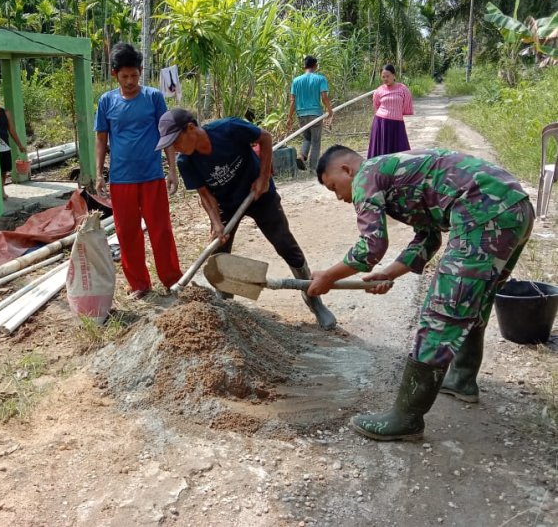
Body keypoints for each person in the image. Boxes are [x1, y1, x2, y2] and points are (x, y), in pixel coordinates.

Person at [311, 145, 533, 441]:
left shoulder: (367, 175)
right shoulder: (397, 173)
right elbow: (428, 238)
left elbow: (370, 248)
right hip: (513, 208)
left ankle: (406, 418)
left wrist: (328, 277)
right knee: (475, 298)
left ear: (346, 170)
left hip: (484, 213)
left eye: (334, 188)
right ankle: (462, 380)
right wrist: (389, 273)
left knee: (443, 311)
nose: (340, 197)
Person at [157, 108, 337, 329]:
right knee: (220, 255)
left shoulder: (228, 129)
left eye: (175, 141)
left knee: (285, 244)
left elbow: (265, 137)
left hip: (258, 193)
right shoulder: (186, 162)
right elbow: (205, 194)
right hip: (226, 204)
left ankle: (312, 297)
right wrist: (216, 222)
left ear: (191, 129)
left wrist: (263, 177)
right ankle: (226, 307)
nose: (174, 148)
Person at [95, 43, 182, 298]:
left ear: (141, 71)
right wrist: (99, 172)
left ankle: (171, 280)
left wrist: (172, 170)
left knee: (161, 230)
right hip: (121, 179)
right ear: (115, 75)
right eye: (125, 76)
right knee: (127, 233)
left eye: (135, 75)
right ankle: (139, 284)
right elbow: (101, 139)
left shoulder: (153, 98)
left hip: (152, 176)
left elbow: (166, 134)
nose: (131, 81)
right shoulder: (106, 101)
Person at [287, 55, 334, 172]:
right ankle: (313, 167)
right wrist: (329, 110)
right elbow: (324, 97)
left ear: (304, 66)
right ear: (315, 66)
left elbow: (293, 101)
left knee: (307, 138)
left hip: (301, 114)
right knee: (316, 141)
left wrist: (289, 117)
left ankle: (301, 156)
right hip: (315, 114)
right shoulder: (320, 79)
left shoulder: (296, 81)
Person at [367, 64, 414, 157]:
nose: (385, 79)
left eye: (388, 76)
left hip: (397, 124)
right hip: (381, 124)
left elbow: (406, 105)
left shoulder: (403, 89)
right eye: (383, 77)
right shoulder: (379, 91)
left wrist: (395, 114)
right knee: (381, 153)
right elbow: (376, 106)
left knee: (401, 153)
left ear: (394, 75)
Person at [0, 92, 26, 201]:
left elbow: (12, 130)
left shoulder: (5, 113)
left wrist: (20, 145)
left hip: (4, 146)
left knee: (4, 170)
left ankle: (2, 188)